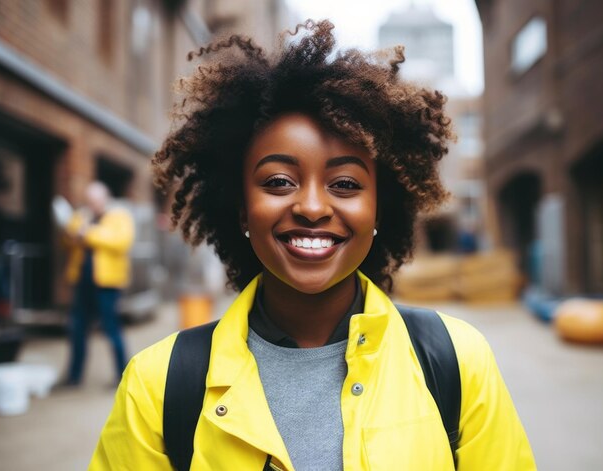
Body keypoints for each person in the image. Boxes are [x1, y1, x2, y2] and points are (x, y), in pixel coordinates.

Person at [89, 21, 536, 470]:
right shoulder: (159, 385)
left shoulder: (457, 362)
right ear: (242, 209)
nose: (312, 207)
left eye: (344, 183)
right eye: (279, 181)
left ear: (379, 211)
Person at [63, 181, 134, 386]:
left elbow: (121, 242)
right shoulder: (81, 217)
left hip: (107, 284)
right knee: (77, 330)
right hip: (82, 282)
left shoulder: (119, 217)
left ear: (105, 199)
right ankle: (74, 376)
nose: (92, 204)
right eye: (89, 201)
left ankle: (123, 374)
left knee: (111, 329)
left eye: (95, 200)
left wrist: (89, 234)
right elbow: (67, 241)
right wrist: (72, 235)